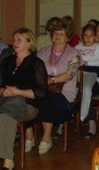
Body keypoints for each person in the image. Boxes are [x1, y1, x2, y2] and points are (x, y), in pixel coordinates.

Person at [0, 28, 47, 170]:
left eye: (19, 40)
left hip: (28, 105)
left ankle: (7, 163)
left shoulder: (37, 63)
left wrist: (17, 92)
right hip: (5, 103)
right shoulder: (7, 61)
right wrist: (2, 92)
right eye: (14, 40)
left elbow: (42, 92)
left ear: (30, 43)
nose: (14, 43)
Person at [34, 25, 80, 153]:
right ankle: (29, 137)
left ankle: (46, 138)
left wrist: (51, 80)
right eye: (55, 33)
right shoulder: (43, 51)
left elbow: (70, 74)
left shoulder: (74, 53)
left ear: (68, 38)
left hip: (64, 92)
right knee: (28, 97)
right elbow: (35, 70)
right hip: (44, 89)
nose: (58, 36)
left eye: (61, 33)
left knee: (45, 98)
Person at [75, 23, 99, 138]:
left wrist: (85, 63)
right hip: (80, 74)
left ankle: (89, 121)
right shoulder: (78, 47)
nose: (98, 34)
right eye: (97, 30)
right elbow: (74, 61)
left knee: (85, 90)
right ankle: (62, 123)